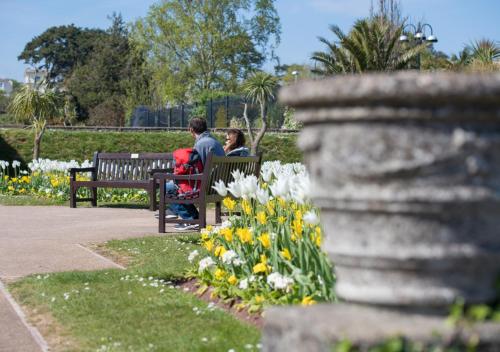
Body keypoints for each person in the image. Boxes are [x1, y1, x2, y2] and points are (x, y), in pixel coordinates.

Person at [165, 117, 225, 231]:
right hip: (217, 184)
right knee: (174, 185)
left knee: (165, 187)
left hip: (206, 186)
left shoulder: (201, 144)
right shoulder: (214, 141)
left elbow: (197, 171)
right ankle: (183, 215)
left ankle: (191, 219)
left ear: (191, 130)